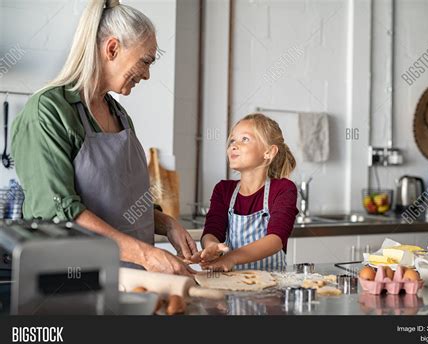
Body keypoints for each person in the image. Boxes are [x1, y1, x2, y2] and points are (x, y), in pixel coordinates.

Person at [11, 0, 197, 275]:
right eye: (145, 61)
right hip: (73, 282)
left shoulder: (119, 114)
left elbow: (120, 202)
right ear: (112, 49)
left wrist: (167, 224)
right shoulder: (48, 111)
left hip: (129, 281)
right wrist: (145, 254)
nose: (146, 74)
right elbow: (57, 212)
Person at [191, 114, 299, 271]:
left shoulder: (283, 189)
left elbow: (276, 240)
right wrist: (212, 247)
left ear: (268, 152)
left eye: (245, 139)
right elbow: (212, 231)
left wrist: (232, 258)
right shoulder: (223, 190)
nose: (233, 146)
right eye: (233, 140)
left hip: (272, 286)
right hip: (231, 285)